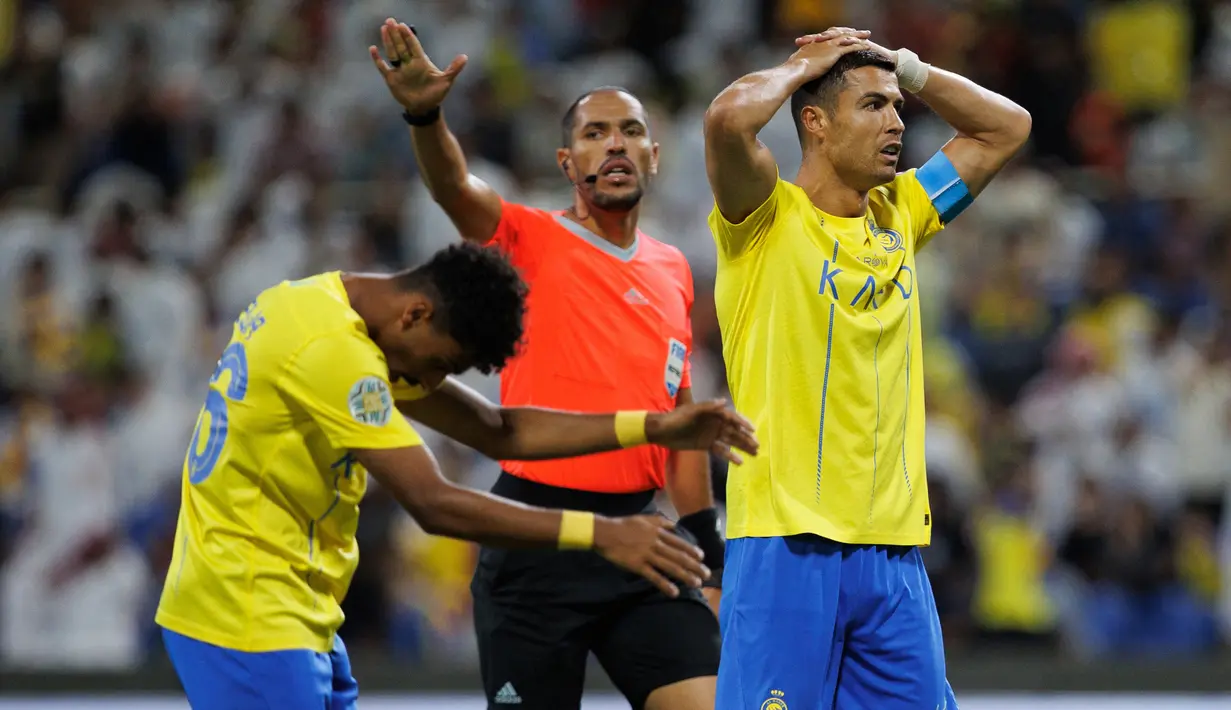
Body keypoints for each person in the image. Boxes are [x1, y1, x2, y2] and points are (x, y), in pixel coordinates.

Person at [154, 242, 759, 710]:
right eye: (442, 364)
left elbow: (498, 430)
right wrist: (602, 533)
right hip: (246, 611)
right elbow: (433, 502)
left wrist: (653, 427)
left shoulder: (327, 310)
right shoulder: (334, 352)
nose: (432, 383)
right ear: (418, 314)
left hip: (290, 605)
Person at [370, 18, 725, 710]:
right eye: (593, 133)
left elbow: (677, 421)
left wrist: (706, 545)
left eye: (627, 130)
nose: (613, 143)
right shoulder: (529, 236)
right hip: (532, 540)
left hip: (642, 540)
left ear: (654, 156)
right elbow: (453, 187)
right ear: (567, 165)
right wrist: (424, 112)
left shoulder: (673, 269)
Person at [702, 27, 1031, 709]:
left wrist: (903, 67)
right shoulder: (761, 217)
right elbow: (729, 120)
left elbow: (1005, 127)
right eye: (873, 107)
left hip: (892, 550)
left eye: (895, 108)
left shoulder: (902, 212)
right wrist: (801, 67)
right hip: (787, 543)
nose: (895, 122)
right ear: (815, 124)